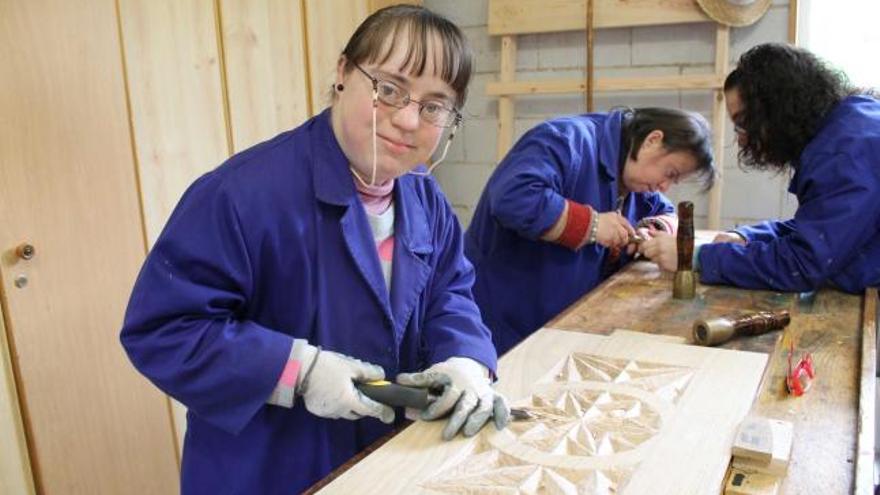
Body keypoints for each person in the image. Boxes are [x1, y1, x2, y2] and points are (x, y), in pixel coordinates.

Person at [120, 5, 509, 494]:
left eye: (434, 106)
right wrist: (299, 371)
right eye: (389, 89)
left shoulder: (424, 196)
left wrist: (466, 361)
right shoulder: (241, 195)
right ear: (344, 73)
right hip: (269, 469)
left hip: (382, 458)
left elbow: (450, 292)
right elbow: (163, 330)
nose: (408, 119)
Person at [465, 108, 715, 355]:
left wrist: (654, 230)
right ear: (653, 140)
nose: (664, 187)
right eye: (669, 174)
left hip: (557, 327)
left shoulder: (636, 179)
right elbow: (513, 197)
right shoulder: (565, 141)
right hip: (499, 326)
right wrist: (591, 225)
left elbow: (665, 211)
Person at [639, 43, 880, 294]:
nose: (741, 139)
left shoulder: (847, 155)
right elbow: (824, 227)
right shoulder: (853, 121)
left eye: (744, 123)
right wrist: (748, 237)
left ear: (778, 109)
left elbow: (802, 264)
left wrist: (699, 258)